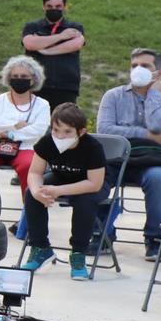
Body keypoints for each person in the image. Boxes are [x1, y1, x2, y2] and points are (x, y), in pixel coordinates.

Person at [95, 47, 161, 259]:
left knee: (158, 178)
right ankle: (100, 234)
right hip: (117, 159)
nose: (138, 69)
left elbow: (159, 124)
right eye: (134, 65)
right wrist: (146, 134)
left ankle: (155, 239)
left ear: (160, 73)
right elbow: (105, 130)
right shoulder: (113, 96)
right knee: (92, 175)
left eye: (145, 66)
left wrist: (154, 93)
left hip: (153, 160)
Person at [19, 104, 107, 281]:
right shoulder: (46, 142)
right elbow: (35, 173)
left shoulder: (92, 147)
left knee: (85, 202)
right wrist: (37, 191)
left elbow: (94, 184)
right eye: (56, 130)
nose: (60, 136)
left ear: (81, 132)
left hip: (90, 182)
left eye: (67, 132)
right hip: (61, 176)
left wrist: (58, 190)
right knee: (31, 193)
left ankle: (78, 254)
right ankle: (40, 248)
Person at [0, 55, 50, 191]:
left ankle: (30, 208)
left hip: (26, 147)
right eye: (15, 76)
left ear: (33, 79)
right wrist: (16, 125)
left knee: (29, 166)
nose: (19, 79)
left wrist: (8, 134)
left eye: (24, 77)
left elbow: (38, 131)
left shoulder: (42, 105)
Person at [21, 0, 85, 111]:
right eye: (49, 6)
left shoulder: (74, 27)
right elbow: (29, 43)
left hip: (66, 86)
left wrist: (44, 49)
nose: (53, 9)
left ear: (65, 7)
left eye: (58, 6)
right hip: (36, 86)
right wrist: (62, 37)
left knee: (65, 123)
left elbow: (76, 44)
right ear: (43, 7)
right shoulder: (33, 26)